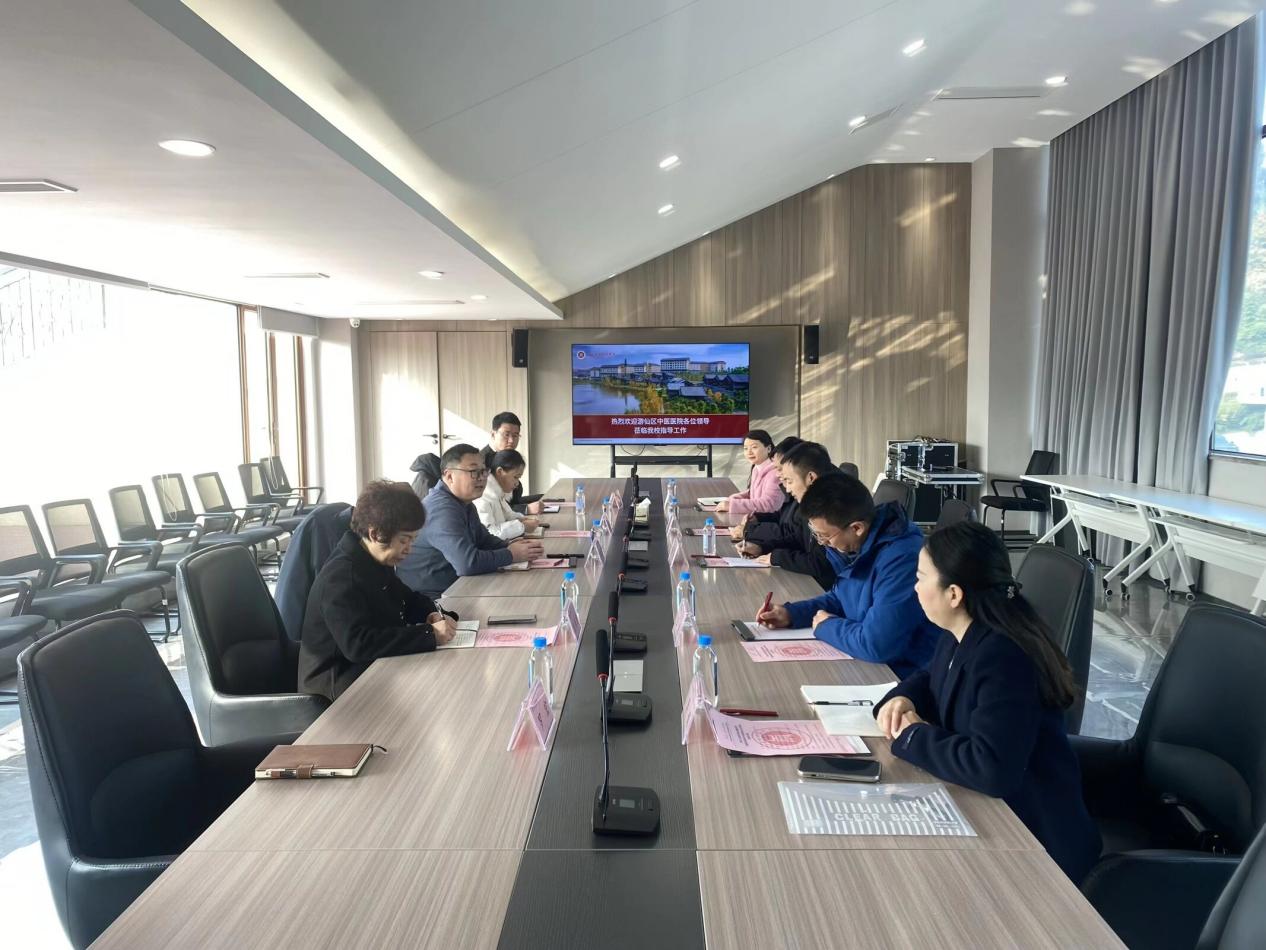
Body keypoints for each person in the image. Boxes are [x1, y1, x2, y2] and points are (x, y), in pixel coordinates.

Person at [874, 521, 1100, 883]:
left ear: (953, 594)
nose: (914, 587)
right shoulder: (962, 631)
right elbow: (931, 677)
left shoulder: (1003, 656)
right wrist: (902, 697)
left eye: (920, 577)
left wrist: (914, 735)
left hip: (1033, 840)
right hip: (989, 813)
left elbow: (992, 769)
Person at [757, 473, 940, 677]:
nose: (822, 543)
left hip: (901, 674)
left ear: (857, 528)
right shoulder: (864, 544)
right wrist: (792, 614)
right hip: (867, 663)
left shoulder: (902, 560)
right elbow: (842, 598)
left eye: (825, 536)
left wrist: (827, 626)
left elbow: (877, 645)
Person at [299, 481, 458, 702]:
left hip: (374, 669)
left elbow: (405, 598)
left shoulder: (373, 560)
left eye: (412, 540)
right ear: (376, 534)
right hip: (338, 689)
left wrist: (430, 613)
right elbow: (358, 644)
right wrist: (429, 635)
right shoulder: (342, 577)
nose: (409, 549)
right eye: (404, 540)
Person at [396, 443, 544, 597]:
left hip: (458, 586)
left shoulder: (463, 503)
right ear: (449, 476)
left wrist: (511, 546)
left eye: (484, 471)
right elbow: (467, 564)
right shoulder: (441, 509)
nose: (482, 478)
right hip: (434, 598)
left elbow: (483, 540)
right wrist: (511, 554)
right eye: (474, 472)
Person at [736, 441, 835, 590]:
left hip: (819, 588)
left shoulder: (829, 509)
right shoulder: (811, 502)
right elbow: (798, 538)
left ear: (811, 478)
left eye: (789, 481)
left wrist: (776, 557)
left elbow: (821, 564)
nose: (787, 489)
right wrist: (762, 548)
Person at [481, 411, 542, 514]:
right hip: (498, 519)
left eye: (515, 435)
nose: (511, 440)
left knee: (545, 498)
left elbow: (514, 498)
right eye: (506, 435)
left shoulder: (510, 456)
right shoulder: (482, 462)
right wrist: (526, 509)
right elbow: (489, 506)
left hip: (513, 511)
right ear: (493, 434)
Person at [475, 449, 540, 541]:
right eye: (515, 477)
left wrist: (522, 519)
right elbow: (489, 533)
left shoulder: (497, 492)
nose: (517, 483)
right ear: (500, 472)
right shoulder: (483, 497)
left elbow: (508, 515)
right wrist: (522, 526)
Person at [715, 430, 782, 515]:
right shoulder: (757, 468)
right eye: (746, 448)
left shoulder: (775, 473)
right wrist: (732, 499)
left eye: (754, 447)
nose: (749, 452)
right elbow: (753, 494)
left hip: (769, 521)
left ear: (768, 448)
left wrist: (733, 505)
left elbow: (769, 504)